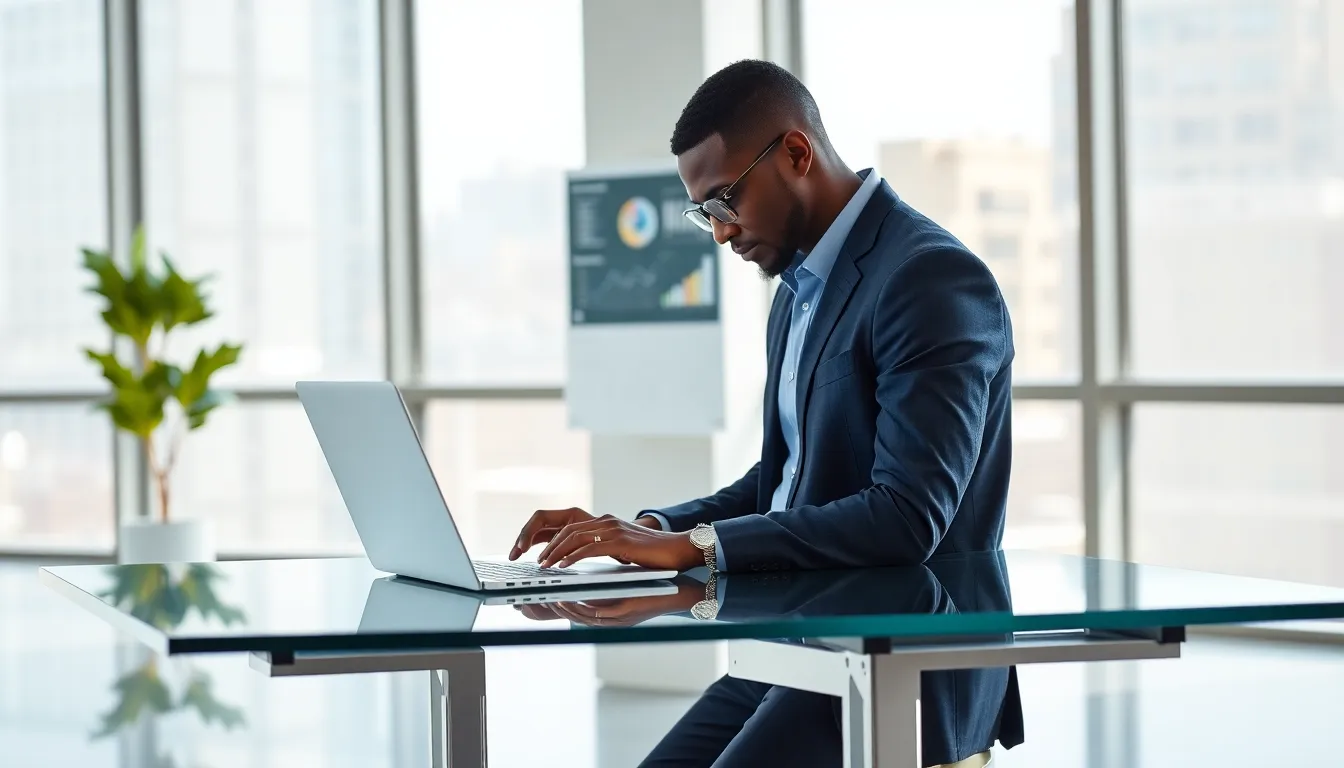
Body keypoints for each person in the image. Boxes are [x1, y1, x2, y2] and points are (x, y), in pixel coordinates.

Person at [509, 59, 1013, 766]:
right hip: (799, 651)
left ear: (796, 153)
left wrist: (697, 549)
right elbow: (783, 480)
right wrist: (646, 532)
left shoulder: (926, 277)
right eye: (704, 213)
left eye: (724, 201)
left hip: (900, 665)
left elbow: (907, 516)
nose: (720, 232)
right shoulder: (797, 294)